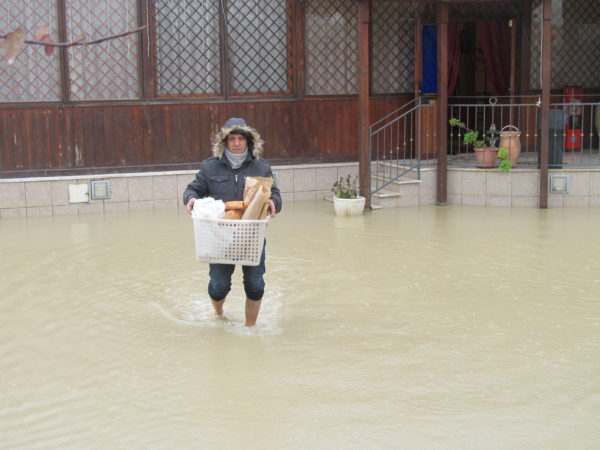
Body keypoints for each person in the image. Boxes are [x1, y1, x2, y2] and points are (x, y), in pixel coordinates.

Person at [183, 118, 282, 327]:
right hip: (220, 239)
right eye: (232, 139)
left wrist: (273, 202)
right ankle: (219, 315)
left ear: (248, 142)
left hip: (252, 237)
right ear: (225, 142)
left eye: (241, 139)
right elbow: (193, 189)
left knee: (255, 285)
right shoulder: (210, 167)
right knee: (218, 286)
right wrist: (190, 199)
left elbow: (275, 194)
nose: (237, 143)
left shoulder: (262, 167)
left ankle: (250, 328)